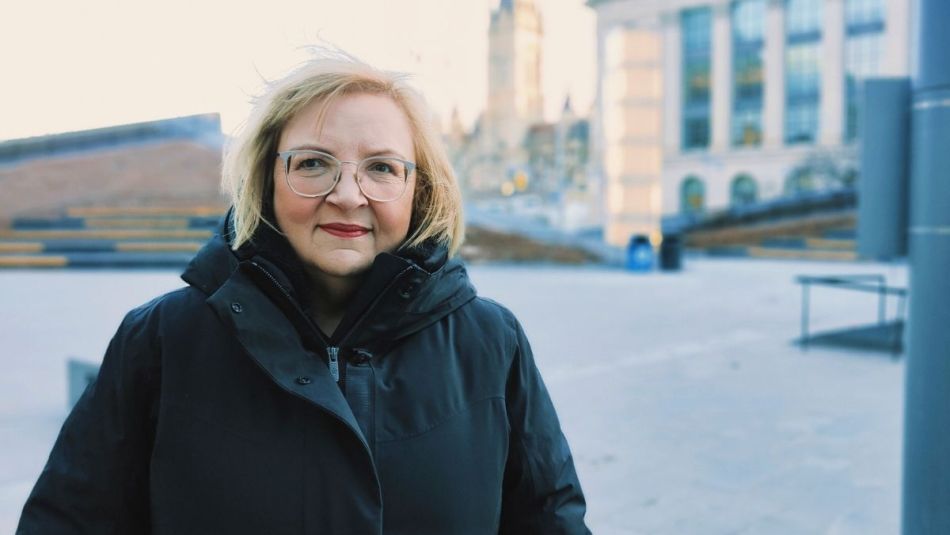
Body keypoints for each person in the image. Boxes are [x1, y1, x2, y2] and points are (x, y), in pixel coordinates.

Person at [17, 50, 590, 534]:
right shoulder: (163, 339)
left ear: (422, 190)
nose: (347, 194)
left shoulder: (491, 343)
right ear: (266, 179)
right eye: (313, 163)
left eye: (383, 168)